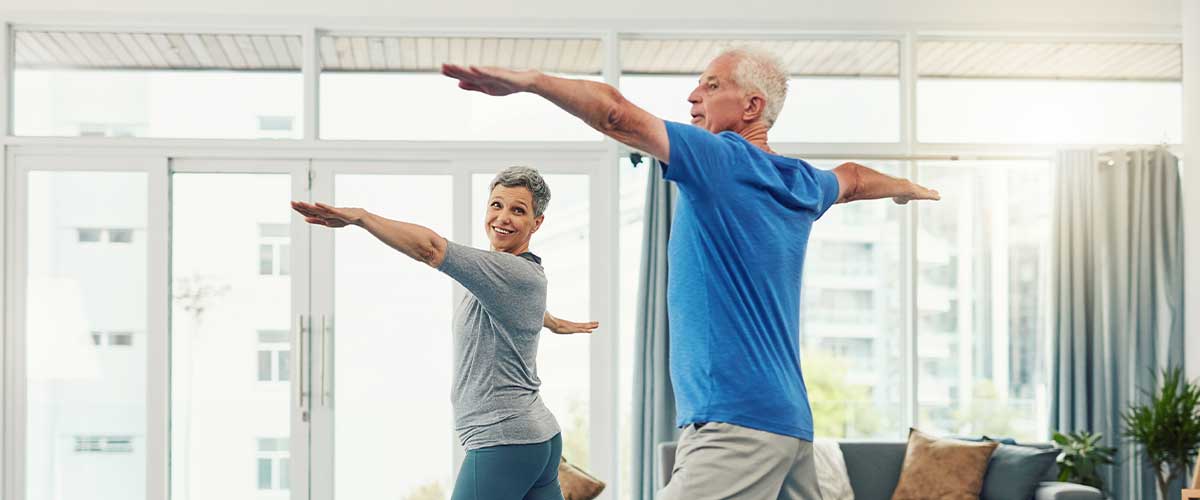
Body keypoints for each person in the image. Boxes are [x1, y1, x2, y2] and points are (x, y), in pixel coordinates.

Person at [443, 46, 940, 500]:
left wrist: (531, 81)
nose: (693, 95)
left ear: (751, 106)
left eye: (711, 85)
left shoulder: (722, 158)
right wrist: (903, 186)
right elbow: (851, 178)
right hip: (790, 426)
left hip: (735, 421)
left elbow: (616, 114)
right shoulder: (800, 180)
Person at [292, 166, 596, 500]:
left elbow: (432, 249)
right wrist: (548, 320)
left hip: (503, 440)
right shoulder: (518, 272)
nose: (503, 217)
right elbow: (513, 309)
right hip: (537, 439)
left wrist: (361, 218)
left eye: (518, 210)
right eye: (496, 205)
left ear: (536, 223)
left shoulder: (505, 271)